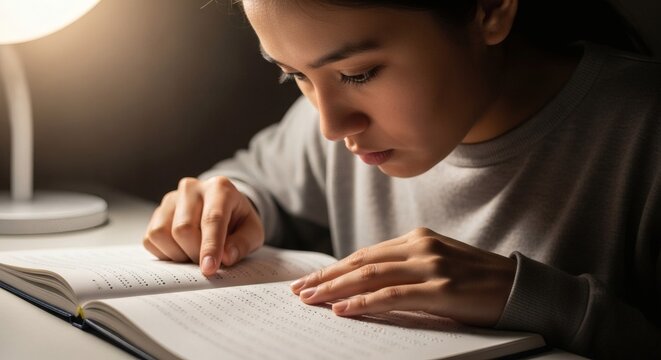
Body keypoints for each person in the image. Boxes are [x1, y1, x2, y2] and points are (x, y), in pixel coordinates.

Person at [142, 0, 661, 357]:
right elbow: (252, 177)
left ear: (489, 9)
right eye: (295, 75)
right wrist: (232, 203)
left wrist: (536, 300)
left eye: (359, 74)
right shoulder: (334, 124)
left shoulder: (644, 130)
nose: (330, 126)